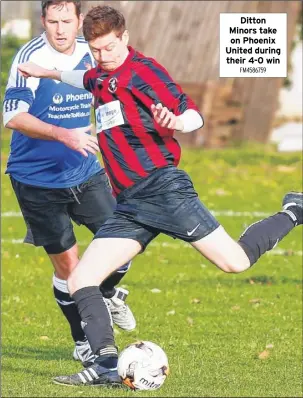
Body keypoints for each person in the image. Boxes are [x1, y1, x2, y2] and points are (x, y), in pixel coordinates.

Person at [18, 4, 303, 387]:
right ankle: (105, 365)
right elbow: (82, 77)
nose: (102, 58)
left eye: (110, 49)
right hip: (131, 203)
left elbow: (192, 113)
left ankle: (293, 210)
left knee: (235, 262)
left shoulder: (144, 72)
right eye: (97, 50)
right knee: (81, 279)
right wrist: (46, 72)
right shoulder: (101, 75)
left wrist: (177, 122)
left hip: (164, 189)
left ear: (125, 39)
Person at [2, 0, 136, 370]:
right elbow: (11, 115)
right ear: (42, 21)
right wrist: (64, 135)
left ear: (80, 20)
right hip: (36, 180)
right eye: (52, 21)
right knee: (70, 269)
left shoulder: (92, 53)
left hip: (85, 172)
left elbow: (116, 91)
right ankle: (83, 342)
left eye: (67, 21)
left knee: (126, 242)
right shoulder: (29, 57)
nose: (60, 29)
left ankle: (107, 292)